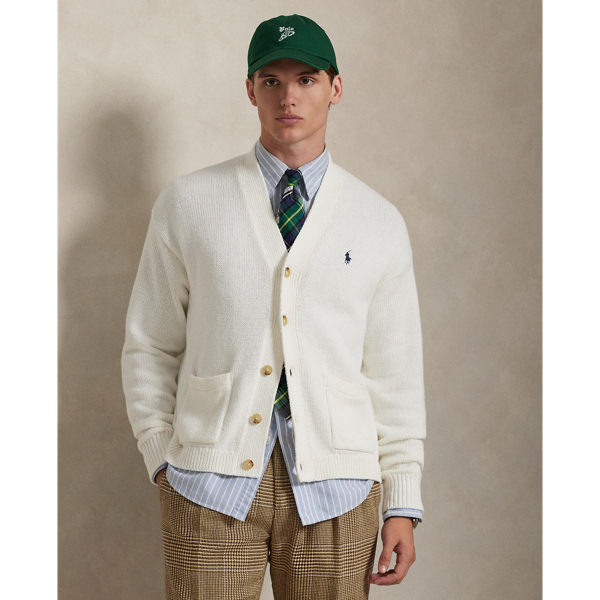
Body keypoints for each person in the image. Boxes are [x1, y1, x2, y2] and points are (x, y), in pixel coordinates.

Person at [121, 13, 426, 600]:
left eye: (306, 79)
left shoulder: (378, 221)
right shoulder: (188, 203)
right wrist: (161, 457)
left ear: (336, 87)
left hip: (338, 489)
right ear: (250, 90)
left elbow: (395, 371)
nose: (289, 97)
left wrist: (402, 502)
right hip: (208, 484)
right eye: (272, 81)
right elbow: (150, 343)